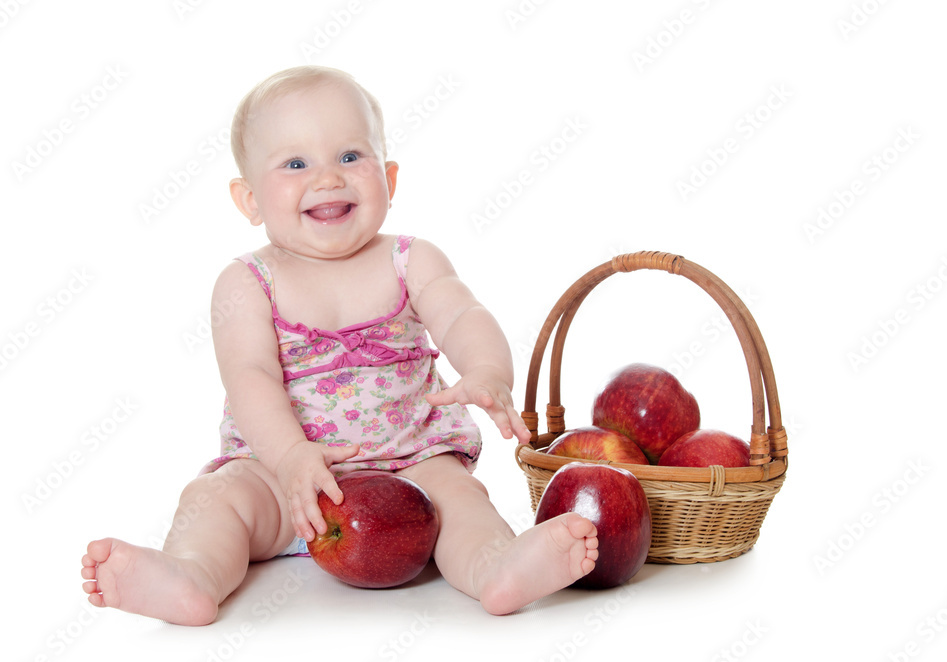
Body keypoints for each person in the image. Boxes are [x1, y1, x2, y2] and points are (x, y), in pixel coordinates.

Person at [80, 65, 597, 624]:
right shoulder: (247, 282)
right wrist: (290, 458)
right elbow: (250, 375)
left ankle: (495, 568)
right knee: (216, 498)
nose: (328, 178)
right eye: (295, 163)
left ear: (389, 179)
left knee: (459, 501)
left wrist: (487, 370)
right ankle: (192, 575)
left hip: (410, 467)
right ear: (249, 199)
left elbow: (462, 315)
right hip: (281, 479)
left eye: (350, 156)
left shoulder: (411, 260)